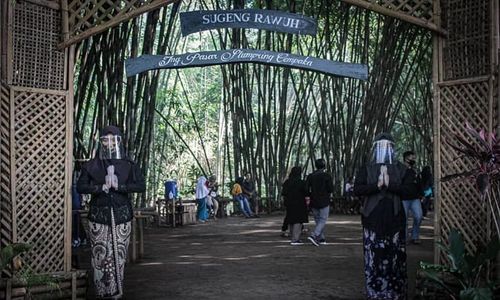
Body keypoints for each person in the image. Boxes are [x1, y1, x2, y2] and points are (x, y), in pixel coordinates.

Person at [77, 125, 145, 299]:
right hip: (99, 216)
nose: (108, 143)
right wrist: (101, 188)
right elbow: (81, 187)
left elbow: (140, 186)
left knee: (119, 255)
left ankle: (116, 293)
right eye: (105, 139)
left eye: (112, 139)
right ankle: (102, 293)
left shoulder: (128, 164)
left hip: (122, 215)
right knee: (100, 256)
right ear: (101, 142)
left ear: (119, 141)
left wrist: (120, 186)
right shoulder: (92, 165)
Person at [354, 133, 411, 300]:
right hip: (372, 219)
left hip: (395, 220)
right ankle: (375, 293)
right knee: (374, 257)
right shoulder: (366, 168)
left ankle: (395, 293)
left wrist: (390, 185)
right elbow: (357, 189)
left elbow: (411, 191)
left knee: (395, 257)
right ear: (375, 148)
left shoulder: (402, 169)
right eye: (381, 146)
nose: (384, 150)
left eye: (388, 147)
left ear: (393, 148)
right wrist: (377, 185)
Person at [305, 158, 334, 246]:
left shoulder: (311, 176)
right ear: (324, 165)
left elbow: (306, 188)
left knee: (318, 220)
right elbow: (330, 189)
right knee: (322, 219)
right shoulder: (327, 176)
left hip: (314, 200)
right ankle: (314, 235)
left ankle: (321, 239)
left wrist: (310, 195)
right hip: (324, 200)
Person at [282, 166, 309, 245]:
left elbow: (283, 193)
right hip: (299, 203)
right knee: (298, 221)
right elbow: (306, 192)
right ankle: (295, 239)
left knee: (291, 220)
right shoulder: (301, 182)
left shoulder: (287, 182)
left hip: (289, 203)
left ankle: (293, 237)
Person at [401, 151, 423, 244]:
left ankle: (415, 236)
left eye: (414, 158)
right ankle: (404, 237)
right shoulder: (400, 169)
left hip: (415, 198)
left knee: (419, 216)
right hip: (403, 198)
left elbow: (419, 183)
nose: (414, 160)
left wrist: (421, 194)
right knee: (404, 219)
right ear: (406, 158)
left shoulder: (415, 170)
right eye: (412, 158)